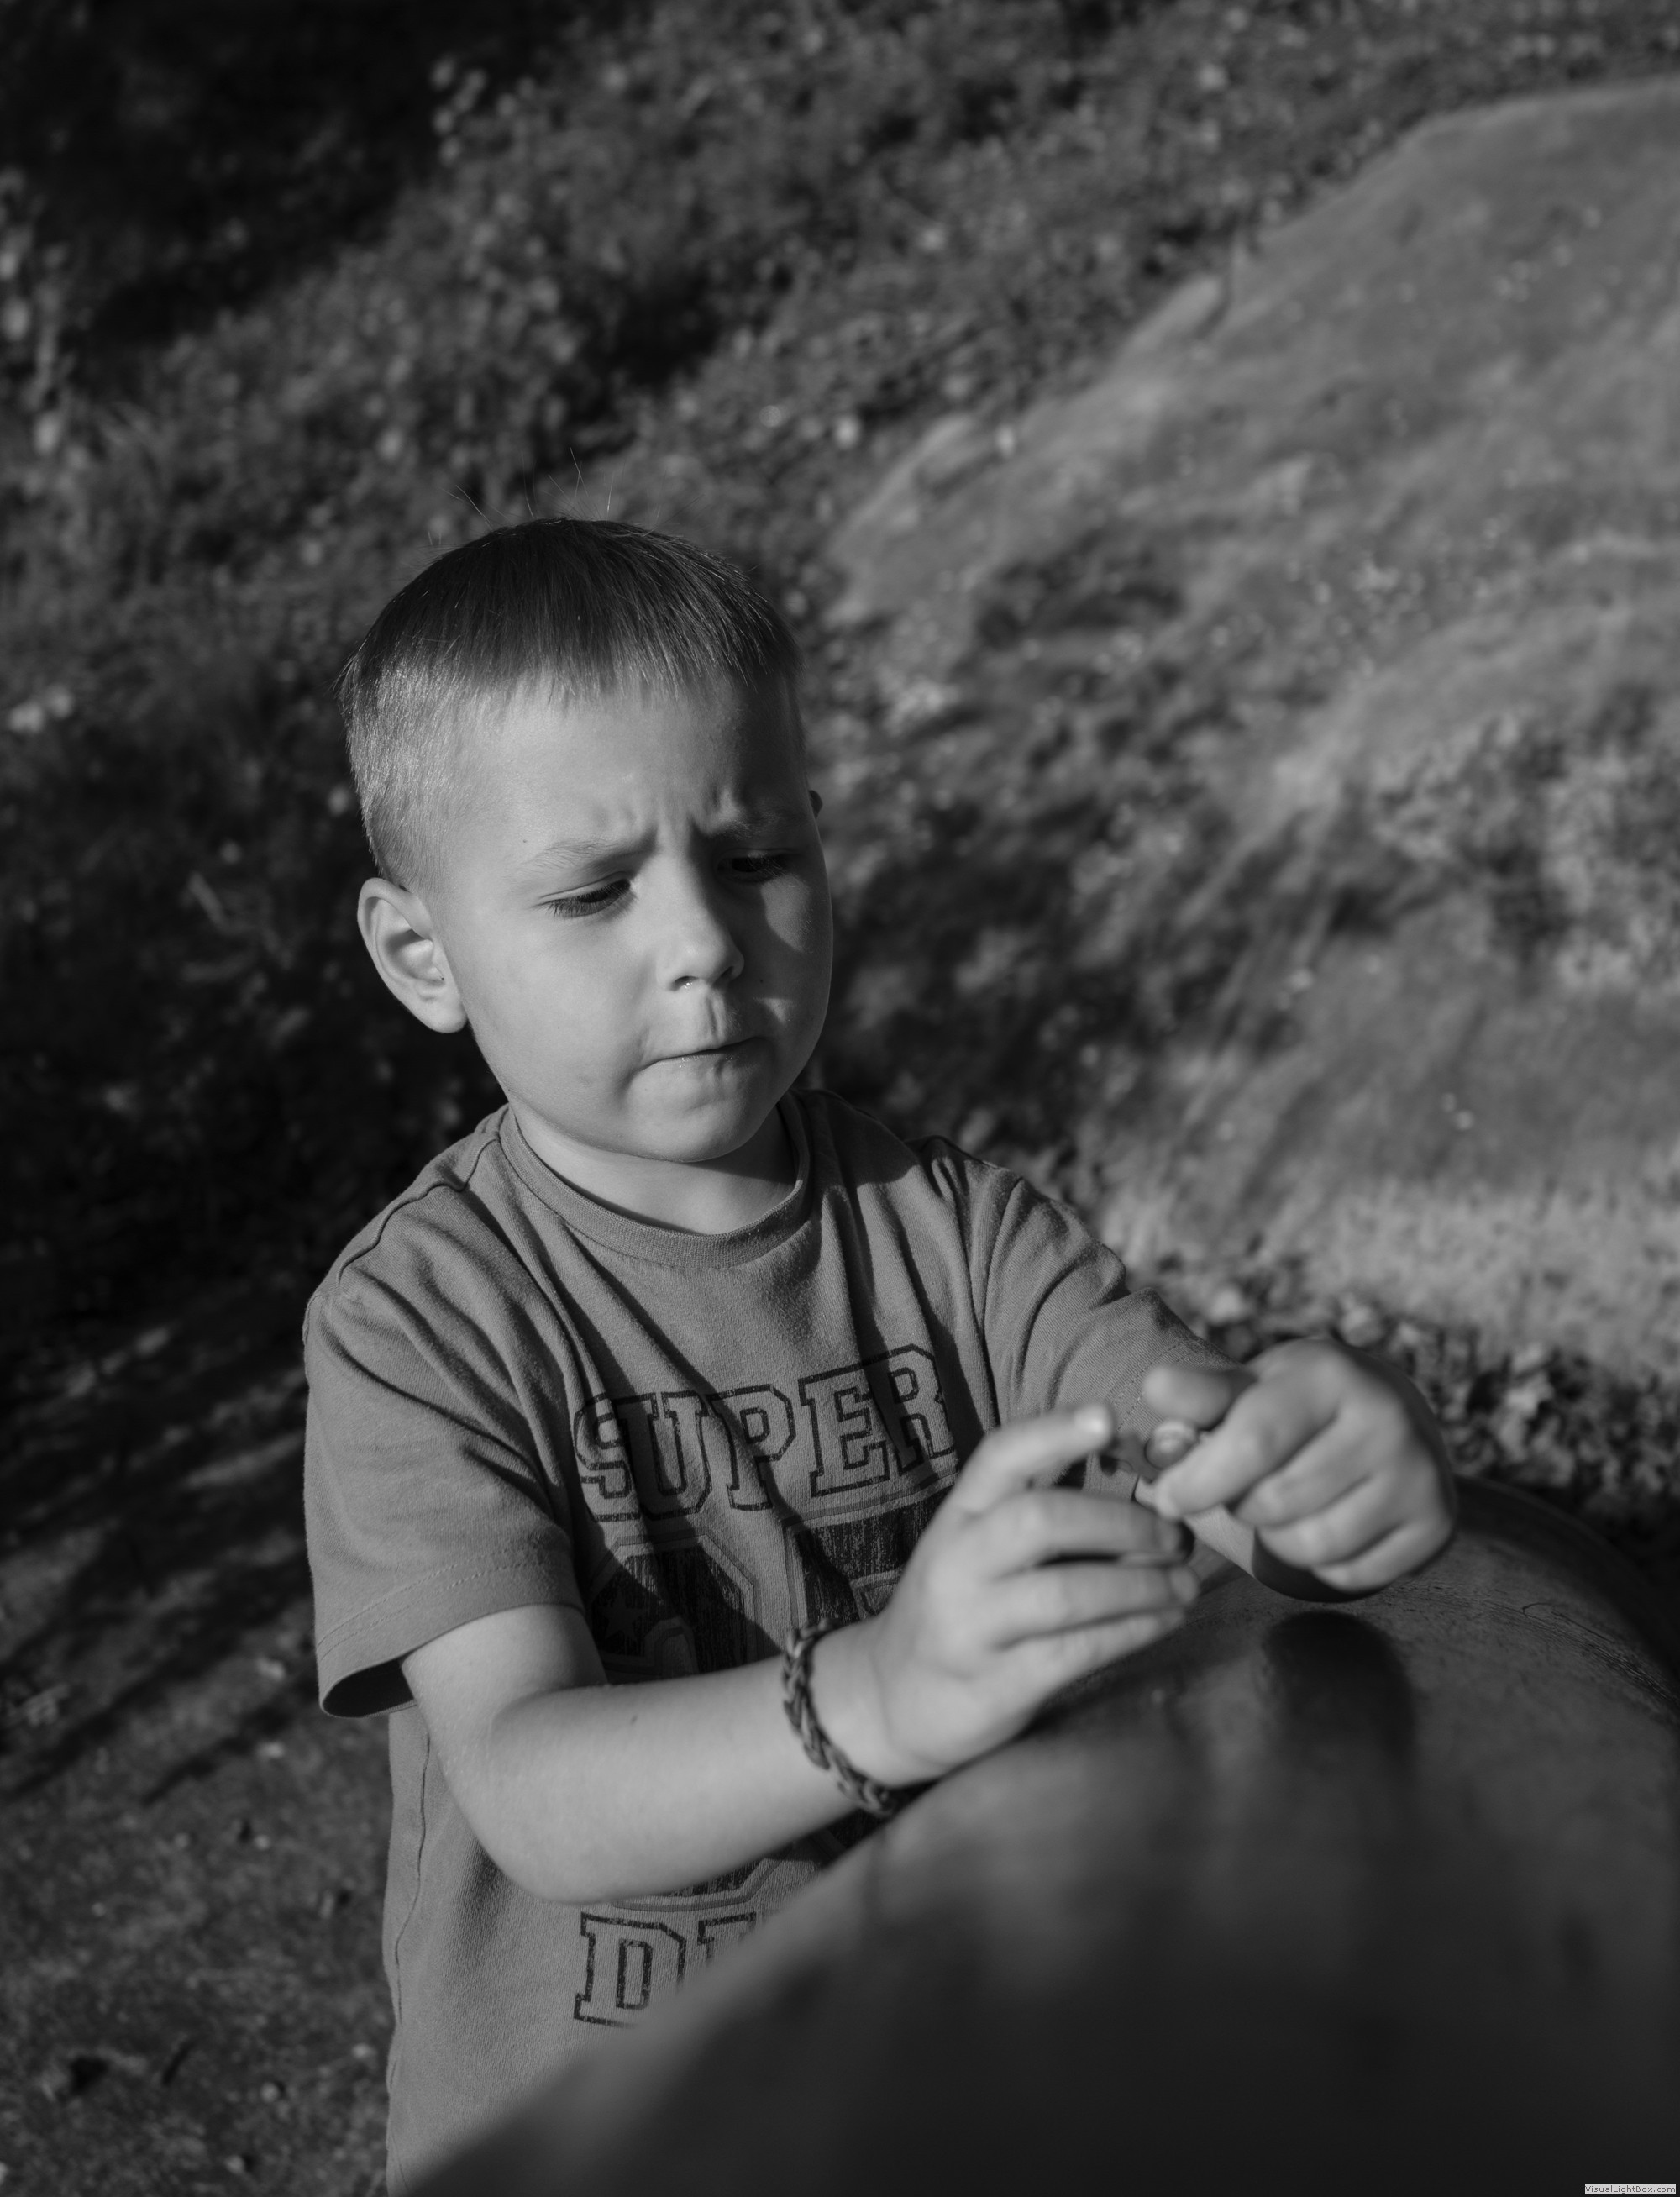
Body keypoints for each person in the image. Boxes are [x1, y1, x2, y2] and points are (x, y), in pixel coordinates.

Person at [303, 515, 1455, 2191]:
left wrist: (1319, 1471)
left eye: (754, 856)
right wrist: (881, 1699)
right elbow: (531, 1786)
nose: (703, 940)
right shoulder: (419, 1320)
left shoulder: (955, 1230)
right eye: (594, 892)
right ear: (424, 956)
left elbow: (1202, 1467)